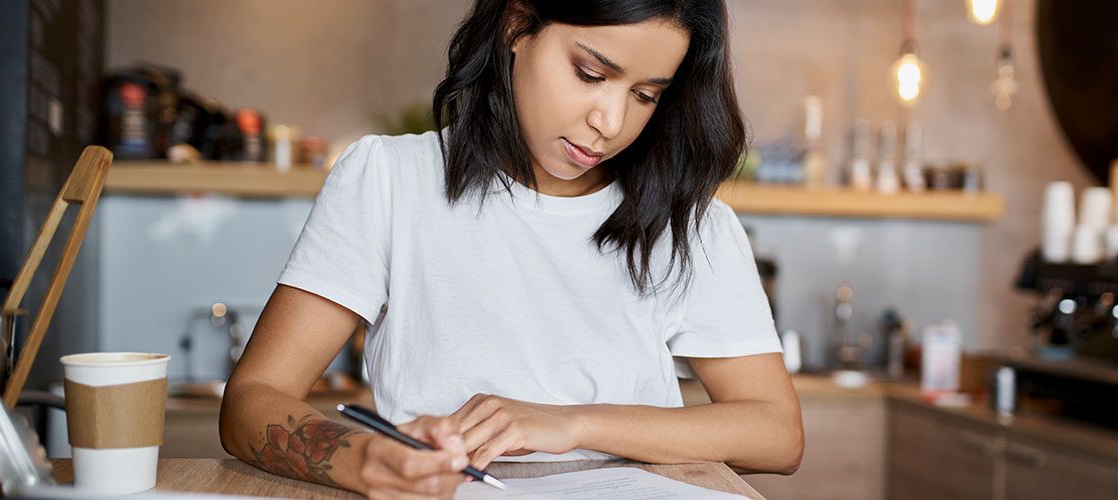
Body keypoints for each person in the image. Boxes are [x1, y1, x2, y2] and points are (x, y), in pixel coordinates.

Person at [219, 0, 803, 497]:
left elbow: (775, 432)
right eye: (591, 74)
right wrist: (366, 459)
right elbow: (252, 400)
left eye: (646, 95)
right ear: (517, 25)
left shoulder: (690, 223)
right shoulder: (391, 179)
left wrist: (569, 423)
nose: (611, 120)